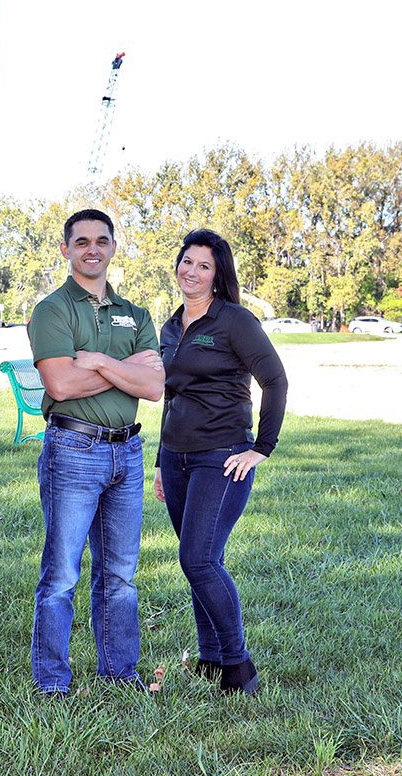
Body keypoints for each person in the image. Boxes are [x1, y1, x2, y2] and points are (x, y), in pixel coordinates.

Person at [27, 208, 165, 695]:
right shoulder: (53, 309)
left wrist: (105, 361)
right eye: (81, 241)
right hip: (73, 449)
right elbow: (60, 384)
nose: (92, 248)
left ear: (112, 247)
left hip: (127, 453)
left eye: (101, 240)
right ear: (66, 249)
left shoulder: (137, 313)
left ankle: (120, 673)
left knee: (121, 574)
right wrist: (127, 367)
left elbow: (153, 386)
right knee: (63, 573)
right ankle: (52, 681)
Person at [153, 229, 287, 695]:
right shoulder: (169, 326)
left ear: (217, 275)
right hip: (175, 458)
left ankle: (238, 666)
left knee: (199, 558)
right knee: (200, 562)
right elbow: (170, 395)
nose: (191, 271)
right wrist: (158, 462)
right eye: (186, 262)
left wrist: (260, 448)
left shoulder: (234, 321)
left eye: (203, 265)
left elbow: (275, 380)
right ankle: (209, 659)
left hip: (222, 457)